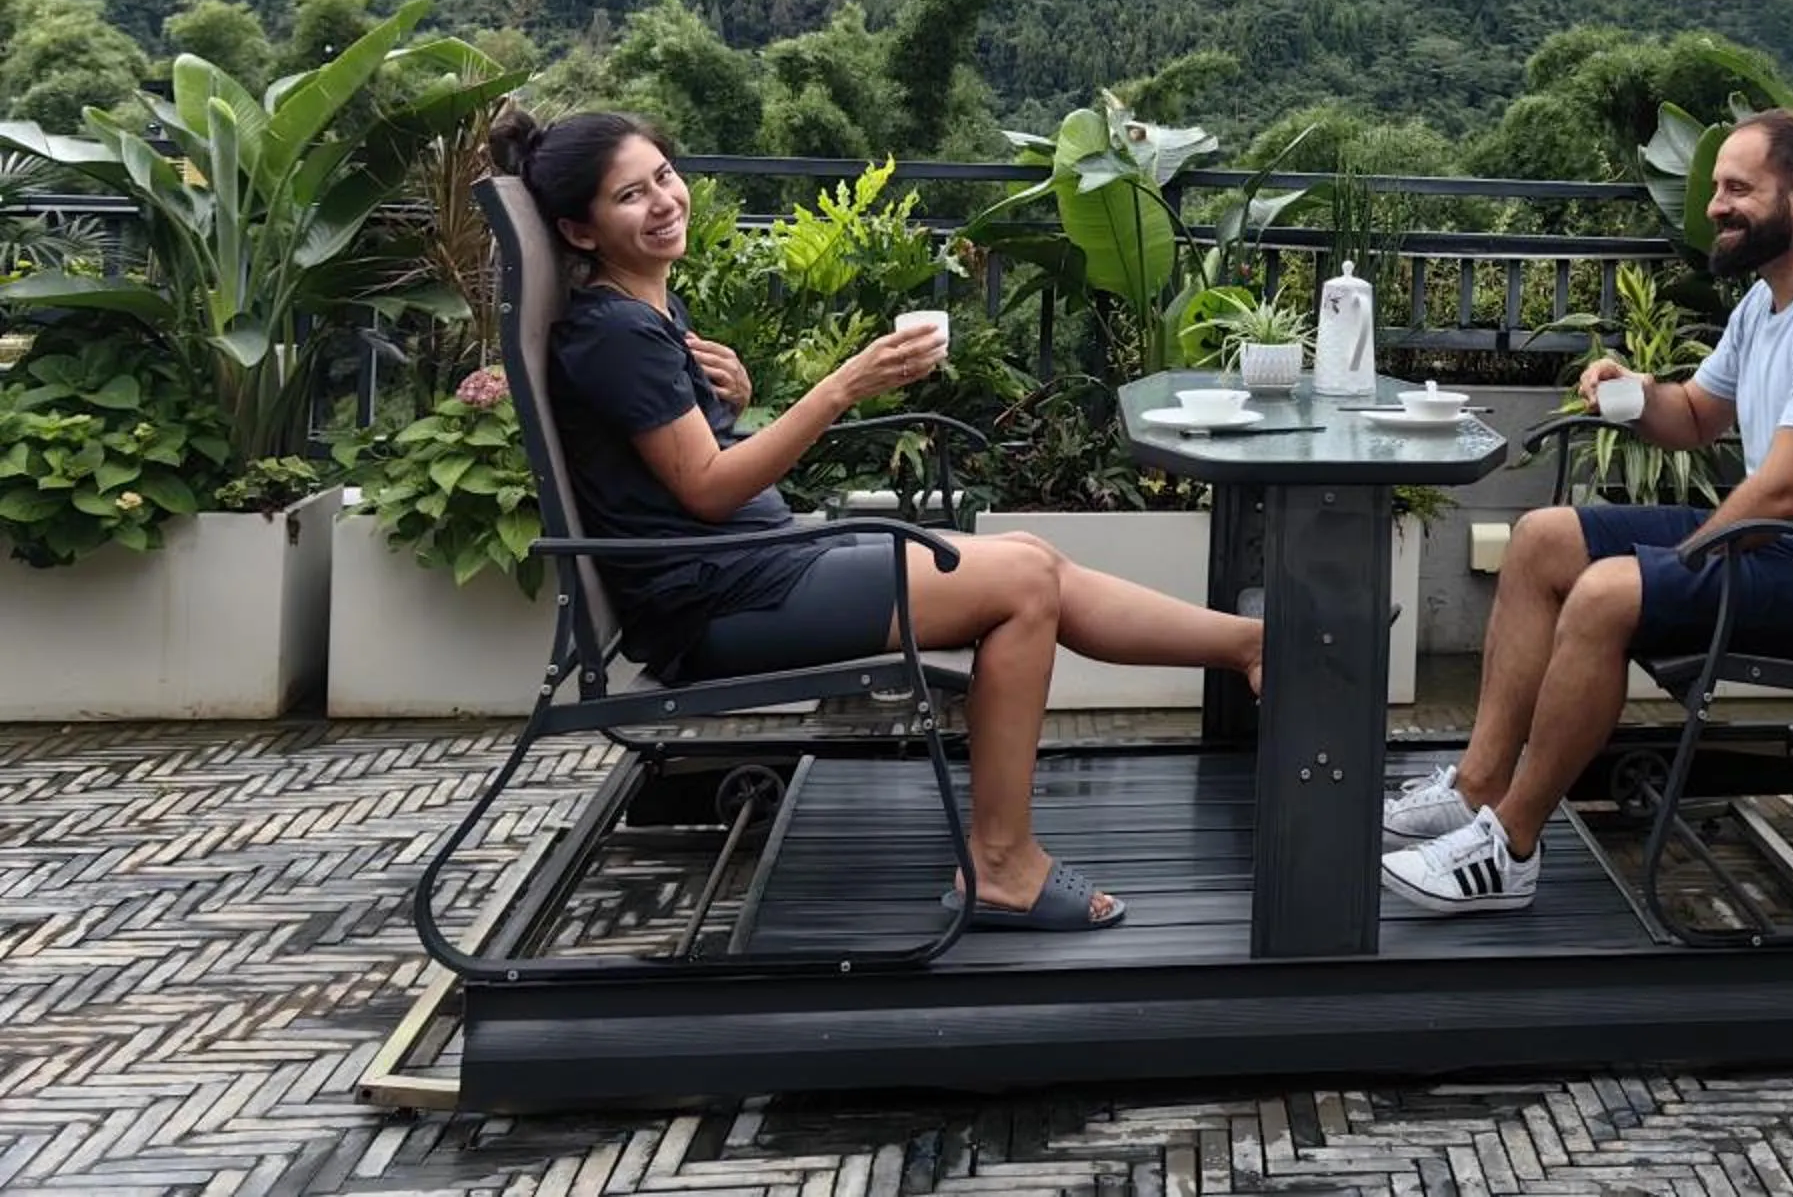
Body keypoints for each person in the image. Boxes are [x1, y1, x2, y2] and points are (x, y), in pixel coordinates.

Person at [486, 102, 1264, 933]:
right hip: (719, 599)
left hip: (749, 564)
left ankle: (1251, 646)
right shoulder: (620, 335)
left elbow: (673, 466)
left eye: (664, 176)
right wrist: (843, 386)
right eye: (630, 196)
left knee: (1029, 556)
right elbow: (708, 490)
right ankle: (1001, 867)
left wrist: (732, 404)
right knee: (1022, 582)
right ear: (579, 231)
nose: (663, 201)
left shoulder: (641, 315)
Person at [1378, 108, 1793, 916]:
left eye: (1738, 188)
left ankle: (1511, 848)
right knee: (1542, 540)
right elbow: (1696, 418)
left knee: (1609, 593)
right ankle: (1476, 788)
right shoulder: (1767, 302)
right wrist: (1637, 391)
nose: (1715, 205)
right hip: (1790, 545)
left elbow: (1786, 490)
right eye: (1716, 187)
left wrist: (1673, 571)